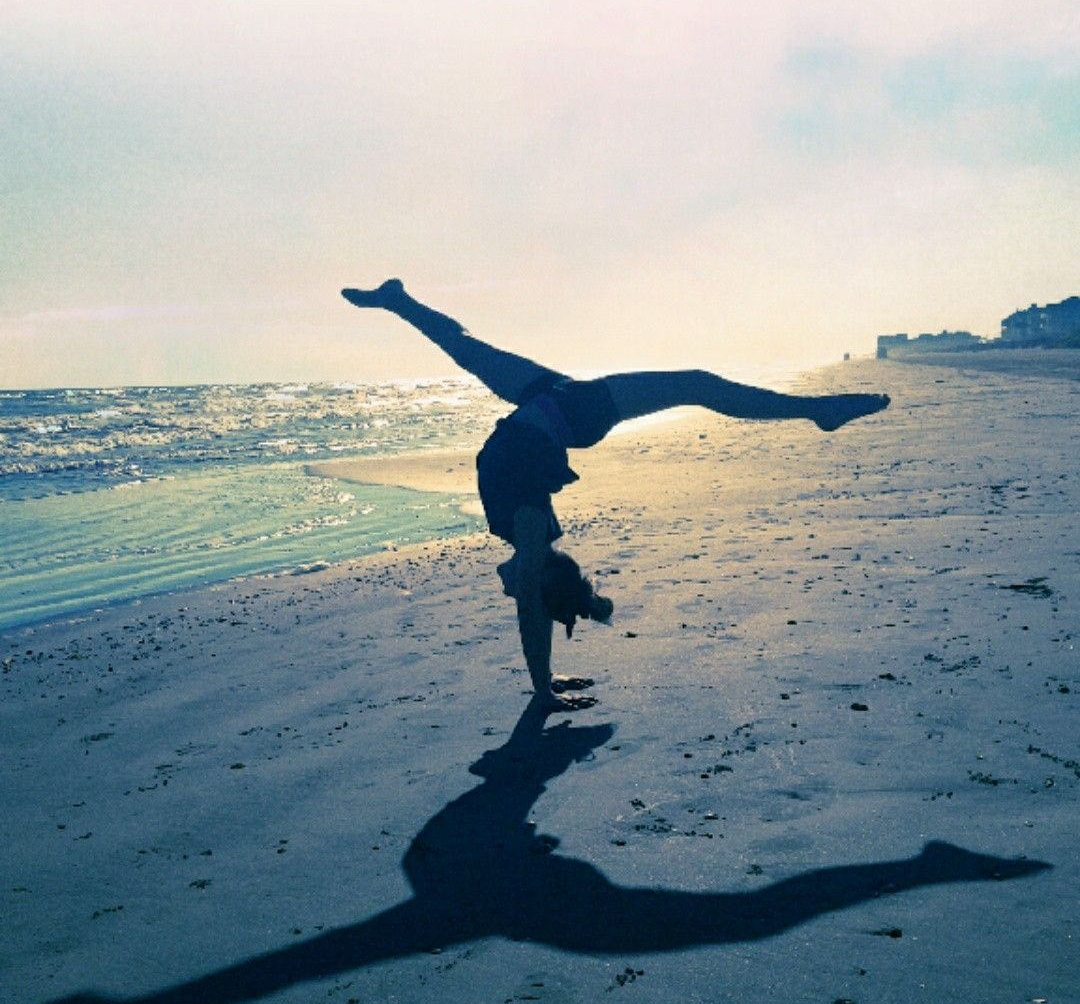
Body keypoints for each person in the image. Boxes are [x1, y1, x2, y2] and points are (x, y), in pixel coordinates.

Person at [342, 280, 889, 712]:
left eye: (515, 589)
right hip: (557, 413)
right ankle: (815, 410)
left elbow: (532, 599)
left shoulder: (527, 527)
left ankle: (399, 300)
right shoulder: (529, 529)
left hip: (544, 413)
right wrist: (547, 681)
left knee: (466, 346)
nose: (506, 587)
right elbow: (531, 595)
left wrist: (543, 685)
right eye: (519, 588)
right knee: (693, 383)